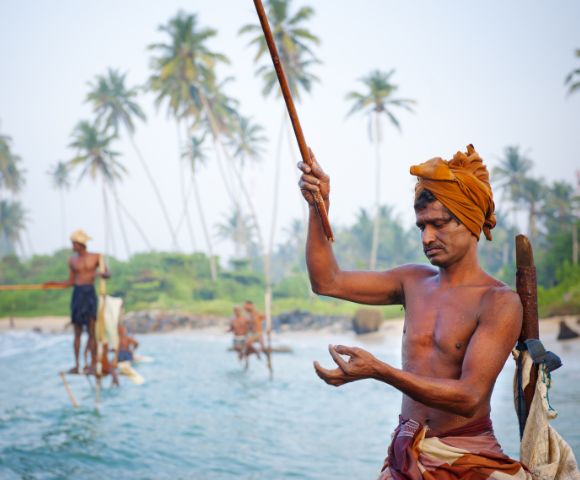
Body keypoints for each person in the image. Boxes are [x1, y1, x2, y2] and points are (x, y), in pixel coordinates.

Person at [298, 145, 531, 478]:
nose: (427, 237)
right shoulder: (413, 281)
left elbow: (469, 396)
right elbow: (327, 281)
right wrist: (318, 204)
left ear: (469, 220)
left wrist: (380, 370)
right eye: (421, 226)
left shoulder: (498, 302)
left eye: (438, 224)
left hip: (467, 456)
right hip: (405, 453)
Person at [44, 229, 109, 374]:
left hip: (89, 294)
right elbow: (70, 282)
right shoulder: (72, 260)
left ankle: (92, 364)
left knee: (92, 332)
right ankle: (77, 365)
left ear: (80, 244)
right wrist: (53, 283)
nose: (72, 246)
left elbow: (107, 273)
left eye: (74, 243)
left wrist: (101, 273)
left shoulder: (97, 257)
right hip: (78, 294)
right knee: (77, 332)